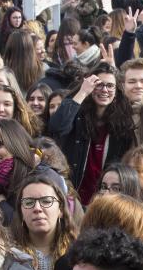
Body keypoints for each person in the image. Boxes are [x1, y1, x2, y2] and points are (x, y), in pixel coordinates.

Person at [49, 63, 136, 205]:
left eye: (110, 86)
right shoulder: (77, 115)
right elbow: (57, 126)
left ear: (117, 90)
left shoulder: (122, 124)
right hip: (72, 198)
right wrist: (82, 92)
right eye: (99, 85)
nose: (104, 90)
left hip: (105, 200)